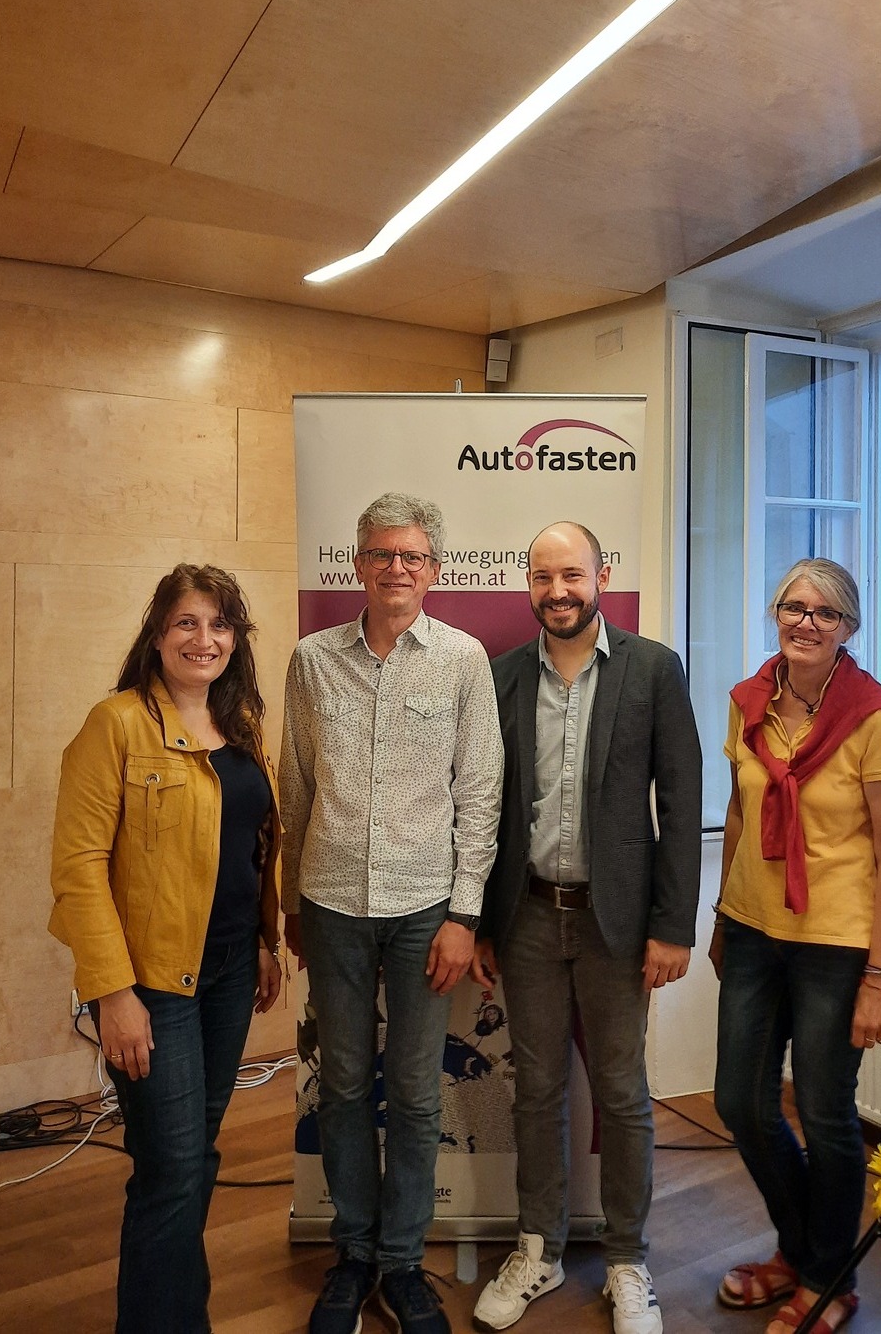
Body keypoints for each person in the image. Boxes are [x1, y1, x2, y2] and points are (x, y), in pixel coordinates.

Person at [470, 521, 702, 1334]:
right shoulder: (500, 676)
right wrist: (481, 922)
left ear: (601, 576)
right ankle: (537, 1248)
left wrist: (673, 926)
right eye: (542, 577)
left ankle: (628, 1260)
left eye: (571, 574)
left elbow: (680, 802)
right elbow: (485, 808)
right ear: (526, 585)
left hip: (618, 925)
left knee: (621, 1092)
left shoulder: (652, 669)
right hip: (527, 916)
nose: (557, 590)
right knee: (535, 1090)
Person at [280, 492, 503, 1334]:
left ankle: (403, 1264)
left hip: (424, 911)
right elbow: (295, 785)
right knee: (340, 1086)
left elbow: (479, 793)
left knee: (412, 1093)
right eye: (381, 554)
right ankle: (353, 1255)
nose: (396, 569)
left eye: (411, 556)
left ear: (433, 569)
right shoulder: (312, 660)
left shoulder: (463, 659)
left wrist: (464, 916)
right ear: (358, 565)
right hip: (330, 901)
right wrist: (288, 902)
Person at [49, 564, 283, 1334]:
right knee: (172, 1169)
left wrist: (264, 941)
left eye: (219, 624)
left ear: (235, 638)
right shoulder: (115, 724)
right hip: (152, 985)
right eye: (186, 622)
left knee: (191, 1159)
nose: (203, 638)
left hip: (229, 974)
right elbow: (78, 866)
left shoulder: (240, 727)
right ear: (157, 634)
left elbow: (249, 848)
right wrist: (112, 992)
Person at [710, 558, 881, 1334]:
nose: (805, 622)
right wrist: (721, 918)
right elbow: (739, 814)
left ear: (847, 628)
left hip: (836, 945)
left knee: (826, 1116)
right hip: (753, 931)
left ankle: (827, 1278)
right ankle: (800, 1254)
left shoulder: (875, 718)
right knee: (739, 1102)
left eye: (824, 613)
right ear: (776, 614)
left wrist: (880, 977)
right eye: (793, 607)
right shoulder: (747, 703)